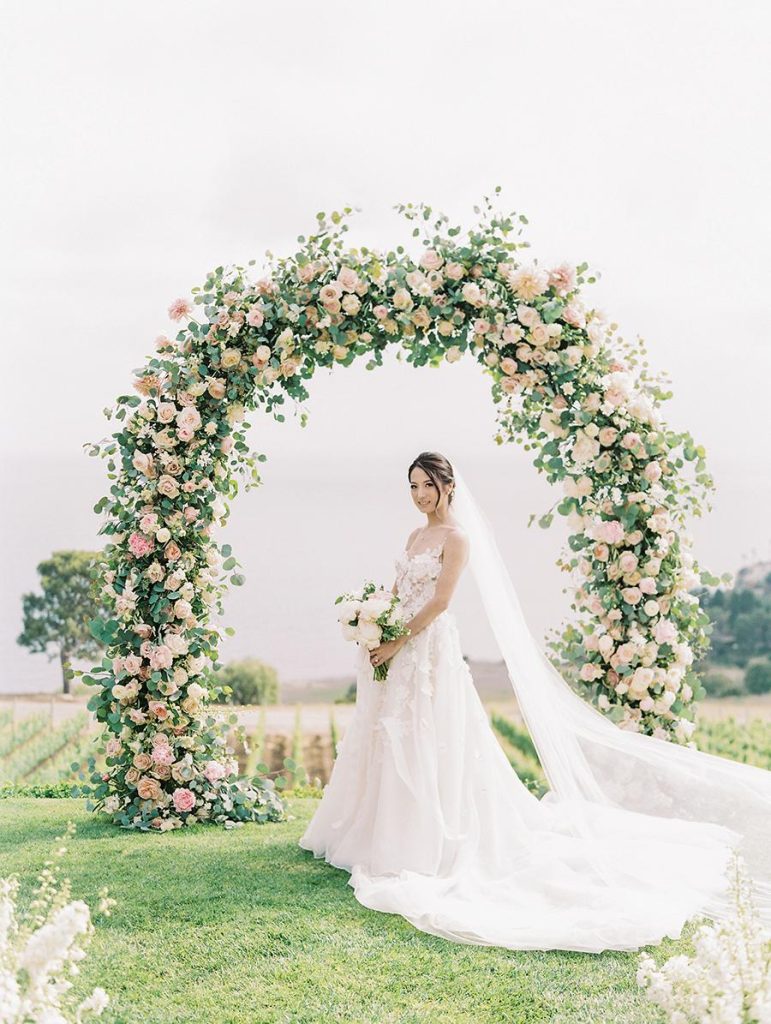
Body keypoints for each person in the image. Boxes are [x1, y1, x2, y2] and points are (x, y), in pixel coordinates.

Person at [298, 452, 771, 953]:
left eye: (428, 486)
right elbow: (398, 592)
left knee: (428, 735)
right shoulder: (413, 536)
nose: (419, 495)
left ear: (449, 486)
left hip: (428, 650)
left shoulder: (457, 539)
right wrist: (374, 623)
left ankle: (426, 838)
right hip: (399, 646)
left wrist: (398, 641)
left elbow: (439, 602)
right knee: (391, 733)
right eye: (413, 486)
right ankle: (378, 830)